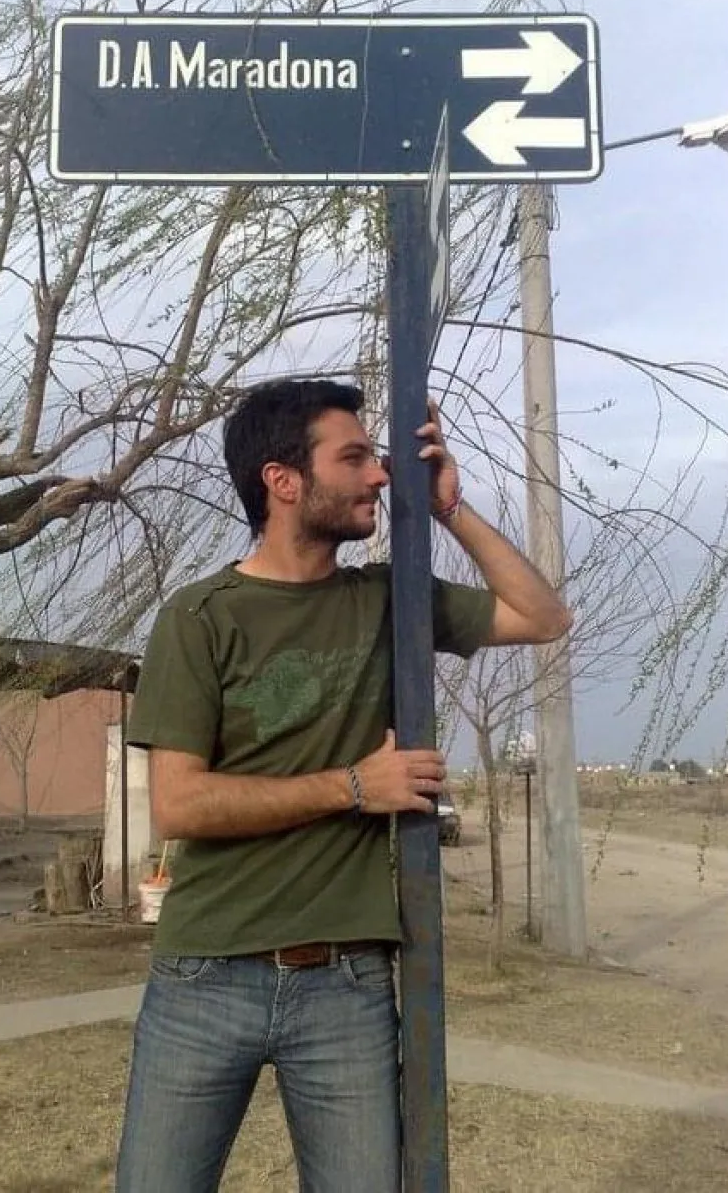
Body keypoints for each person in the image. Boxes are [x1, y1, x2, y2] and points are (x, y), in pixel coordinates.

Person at [116, 378, 571, 1192]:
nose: (377, 476)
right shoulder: (201, 616)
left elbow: (542, 617)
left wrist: (448, 512)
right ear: (283, 480)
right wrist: (355, 787)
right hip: (204, 977)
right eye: (354, 457)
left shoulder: (386, 600)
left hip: (348, 985)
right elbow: (181, 804)